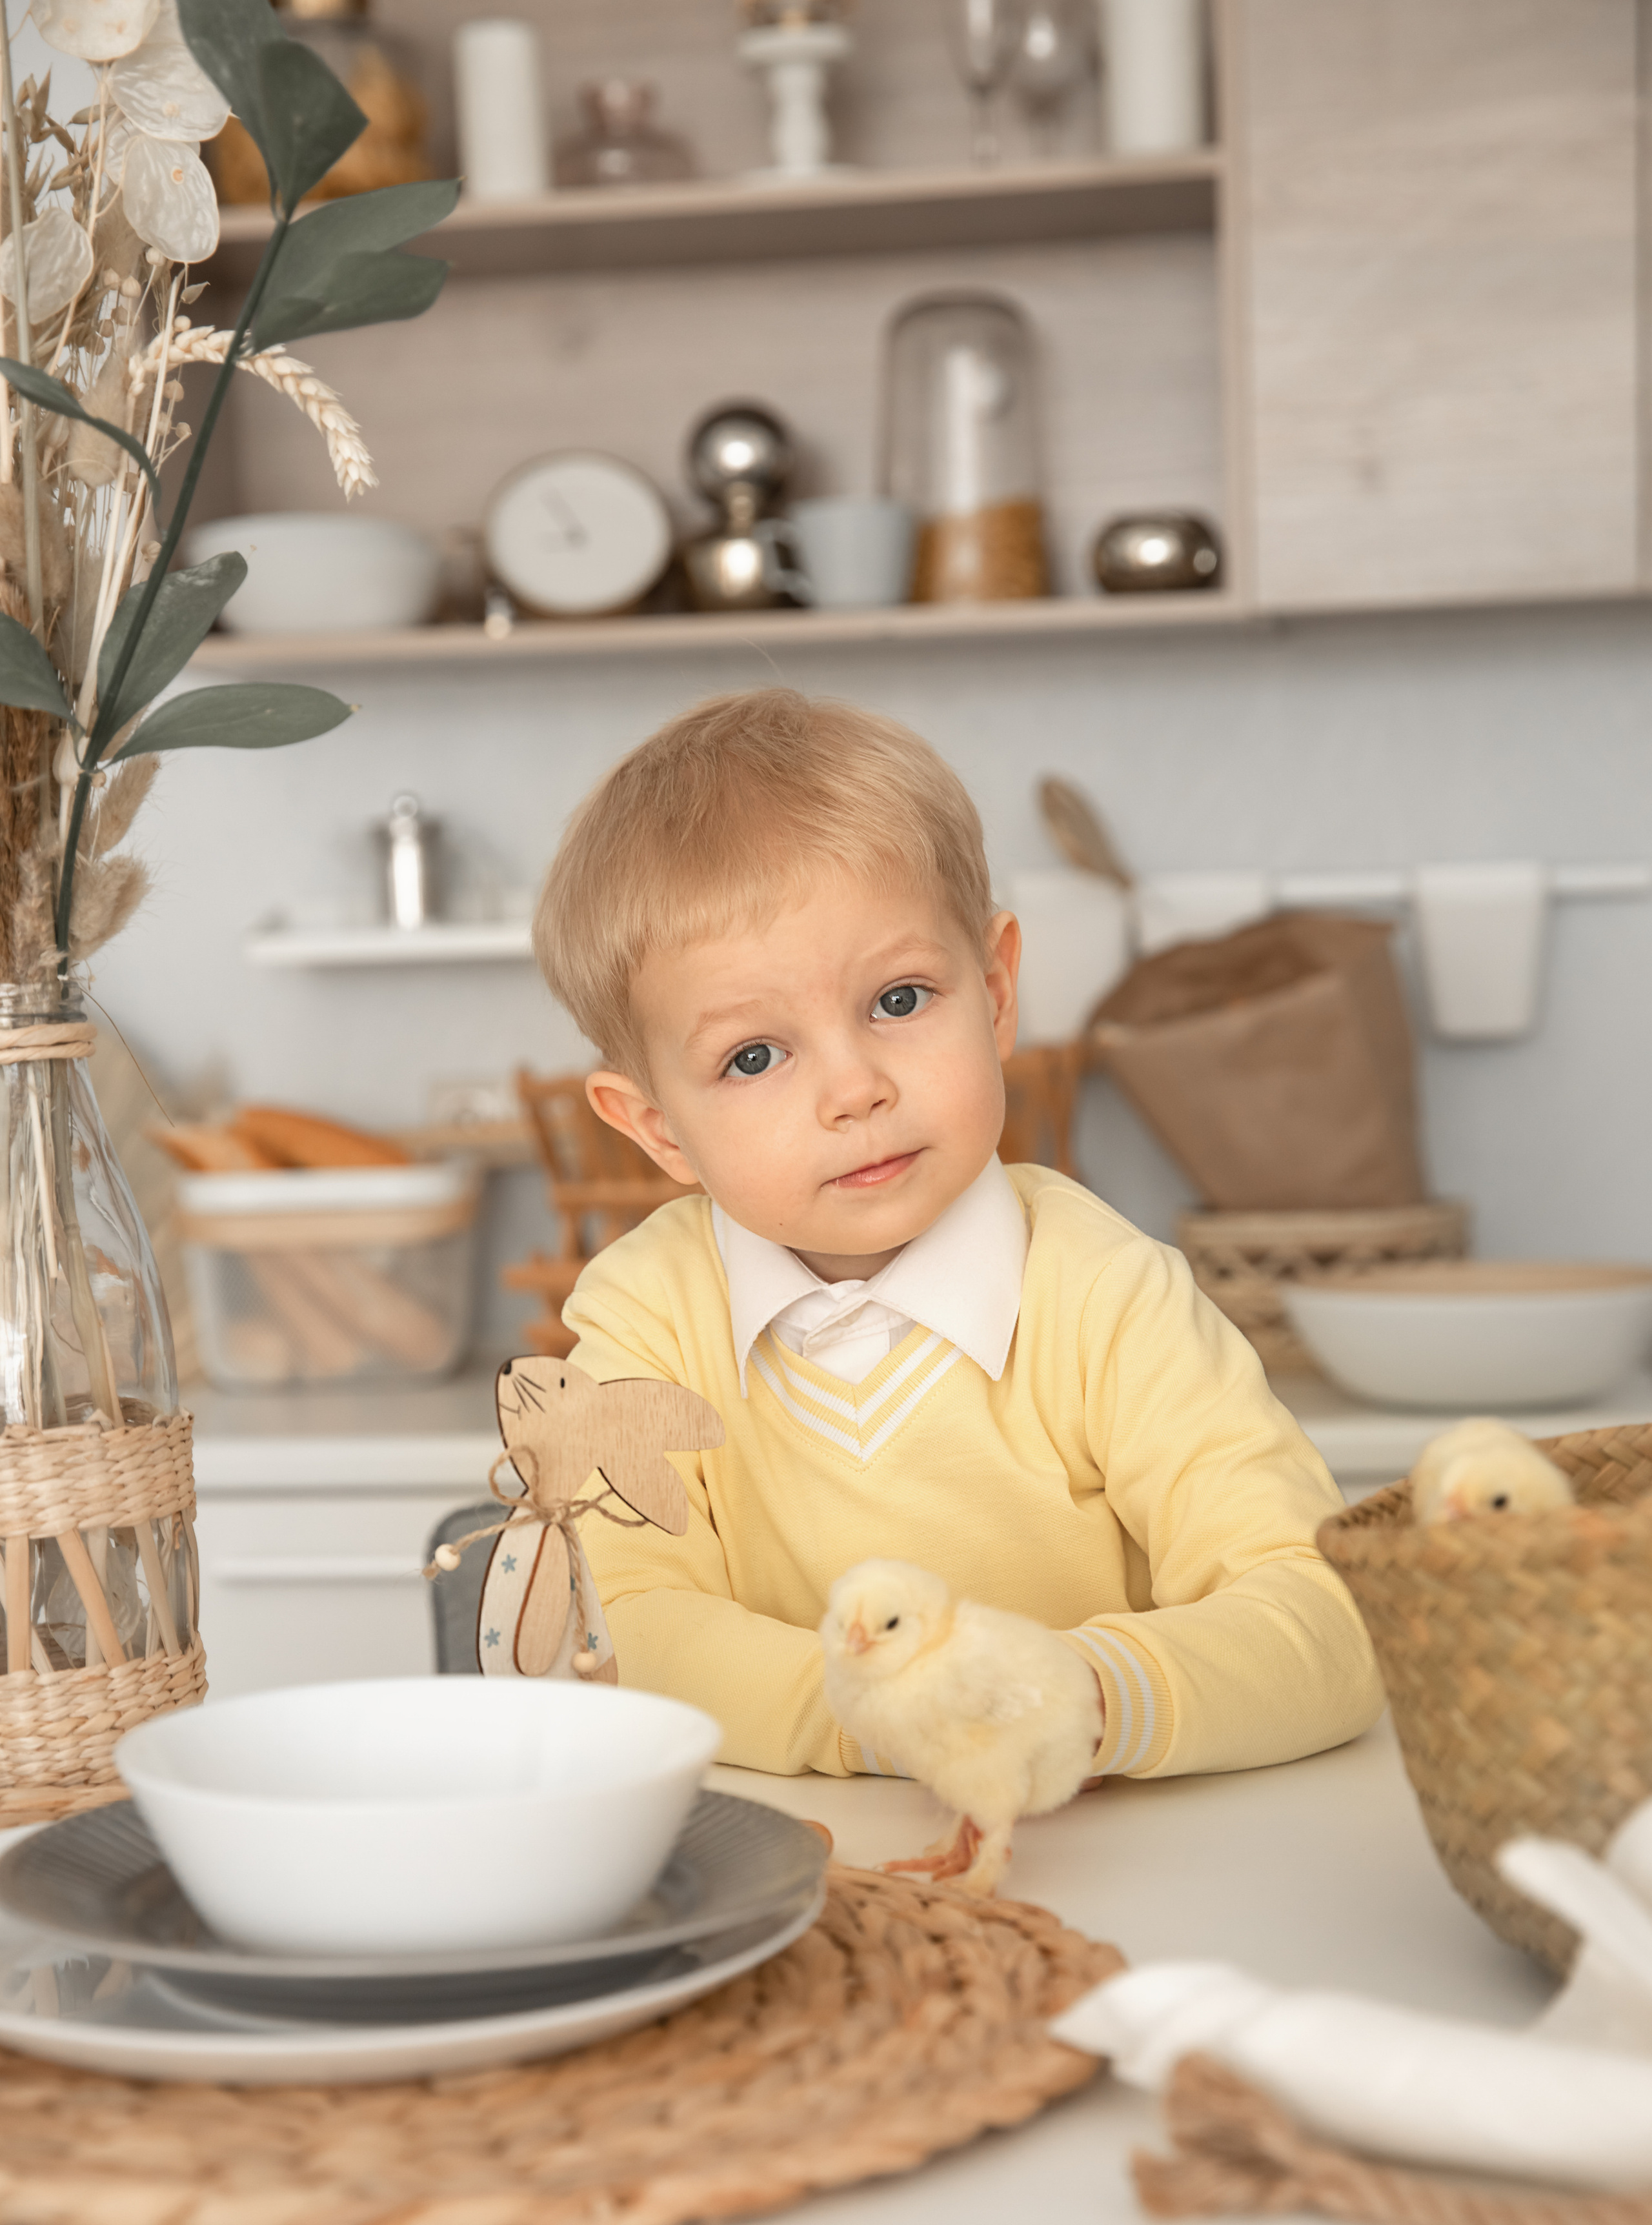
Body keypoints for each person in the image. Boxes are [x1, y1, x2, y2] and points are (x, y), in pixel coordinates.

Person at [534, 687, 1382, 1778]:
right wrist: (886, 1716)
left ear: (995, 991)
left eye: (899, 1000)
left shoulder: (1104, 1292)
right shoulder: (645, 1319)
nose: (855, 1088)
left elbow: (1328, 1619)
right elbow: (622, 1630)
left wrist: (1090, 1701)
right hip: (797, 1877)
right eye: (755, 1057)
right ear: (658, 1131)